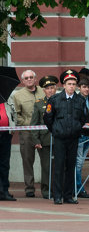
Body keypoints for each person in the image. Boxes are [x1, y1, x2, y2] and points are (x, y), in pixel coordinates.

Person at [42, 70, 89, 204]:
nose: (72, 86)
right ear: (64, 85)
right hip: (60, 138)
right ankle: (57, 196)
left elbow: (84, 117)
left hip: (74, 138)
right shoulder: (55, 99)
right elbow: (48, 118)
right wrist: (56, 130)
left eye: (74, 84)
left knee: (71, 166)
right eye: (69, 84)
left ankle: (68, 195)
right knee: (59, 167)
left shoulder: (80, 100)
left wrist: (76, 128)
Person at [9, 70, 51, 198]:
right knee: (27, 160)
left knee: (46, 161)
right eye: (26, 78)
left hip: (43, 132)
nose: (29, 79)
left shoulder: (43, 90)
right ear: (22, 81)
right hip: (26, 131)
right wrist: (26, 123)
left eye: (31, 77)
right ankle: (29, 188)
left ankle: (47, 186)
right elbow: (16, 114)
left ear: (35, 78)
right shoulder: (18, 95)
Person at [73, 79, 89, 198]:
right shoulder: (76, 100)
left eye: (88, 87)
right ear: (79, 88)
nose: (86, 89)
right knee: (78, 163)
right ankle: (78, 188)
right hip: (79, 135)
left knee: (81, 163)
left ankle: (77, 187)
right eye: (84, 87)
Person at [0, 91, 14, 201]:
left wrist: (13, 127)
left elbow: (14, 114)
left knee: (5, 164)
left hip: (5, 135)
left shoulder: (7, 98)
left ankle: (4, 190)